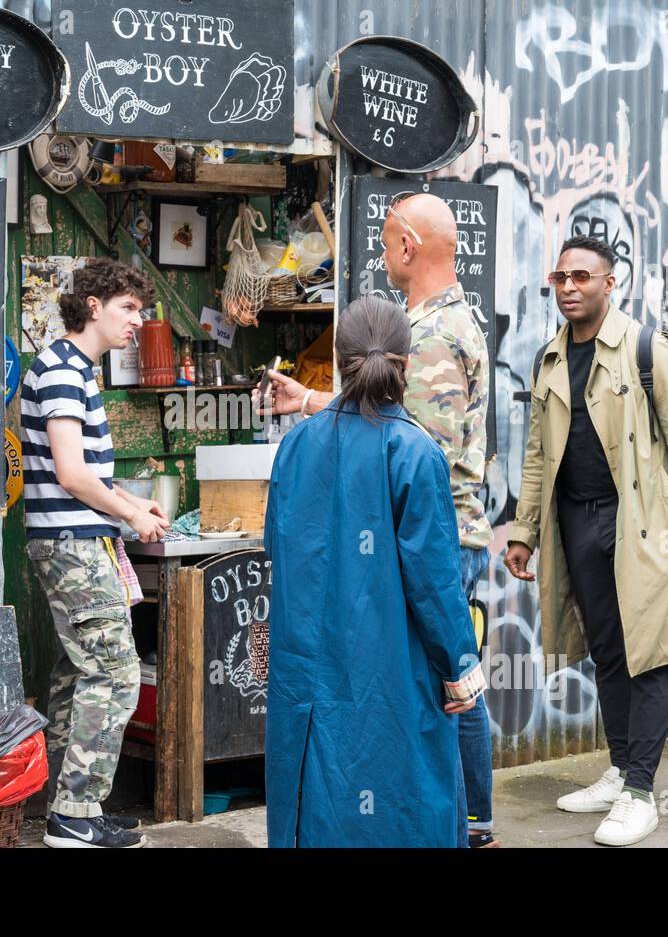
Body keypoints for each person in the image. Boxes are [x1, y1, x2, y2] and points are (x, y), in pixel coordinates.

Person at [261, 193, 497, 847]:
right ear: (404, 362)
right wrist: (460, 667)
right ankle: (478, 825)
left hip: (308, 659)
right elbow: (430, 575)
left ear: (339, 361)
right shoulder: (411, 451)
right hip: (391, 655)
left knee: (320, 780)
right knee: (396, 774)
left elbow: (281, 547)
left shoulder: (296, 445)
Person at [504, 235, 668, 846]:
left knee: (650, 650)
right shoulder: (549, 358)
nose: (568, 287)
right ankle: (620, 771)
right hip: (576, 523)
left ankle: (643, 793)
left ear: (609, 283)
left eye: (582, 277)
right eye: (560, 277)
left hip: (641, 523)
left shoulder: (647, 349)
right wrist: (525, 530)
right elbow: (538, 455)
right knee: (608, 650)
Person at [19, 257, 170, 848]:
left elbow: (87, 476)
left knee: (77, 675)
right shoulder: (61, 368)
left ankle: (70, 804)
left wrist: (133, 502)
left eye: (140, 309)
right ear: (92, 306)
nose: (138, 321)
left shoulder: (76, 369)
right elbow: (71, 473)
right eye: (128, 308)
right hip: (73, 546)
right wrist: (131, 515)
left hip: (83, 541)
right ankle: (73, 815)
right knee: (114, 671)